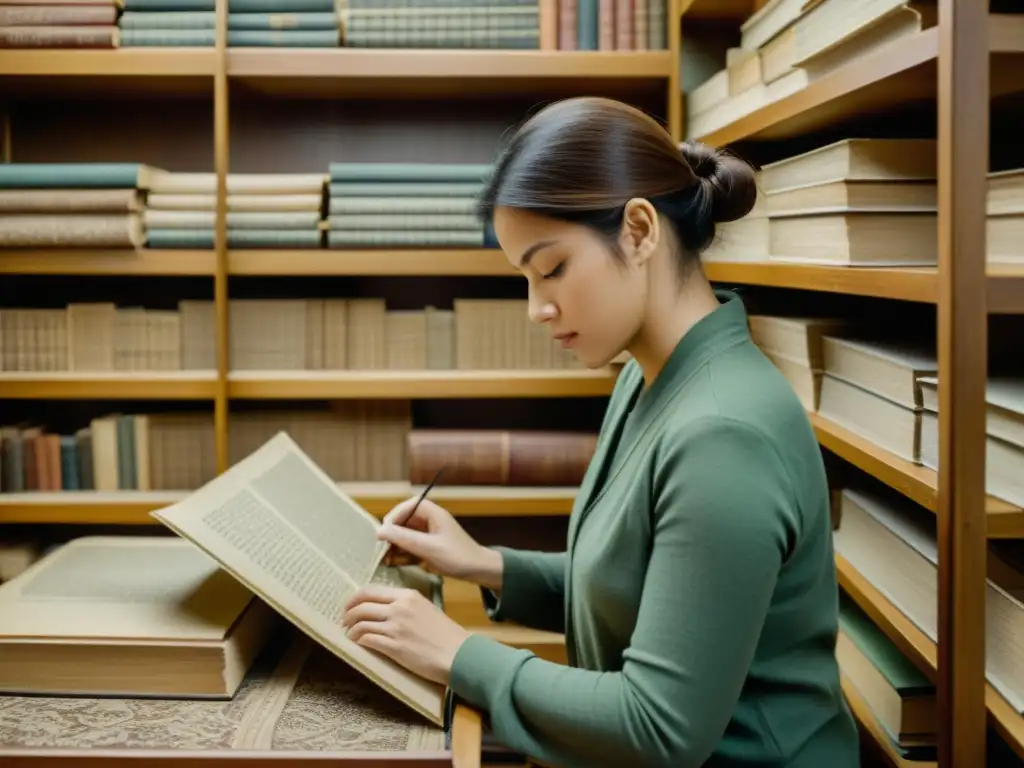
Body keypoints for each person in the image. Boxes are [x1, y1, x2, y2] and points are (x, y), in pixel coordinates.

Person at [342, 96, 861, 768]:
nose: (537, 308)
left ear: (640, 230)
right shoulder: (648, 376)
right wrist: (483, 565)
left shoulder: (722, 434)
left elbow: (659, 728)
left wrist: (459, 653)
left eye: (552, 267)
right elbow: (641, 586)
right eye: (525, 279)